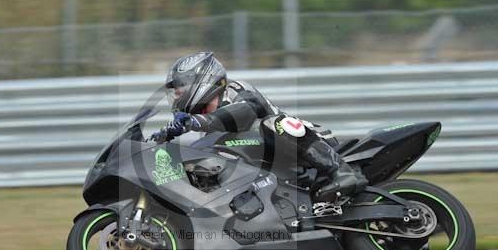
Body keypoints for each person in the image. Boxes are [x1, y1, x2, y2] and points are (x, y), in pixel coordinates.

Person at [151, 51, 367, 201]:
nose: (176, 96)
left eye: (179, 88)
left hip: (309, 147)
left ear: (201, 80)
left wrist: (197, 122)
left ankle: (342, 172)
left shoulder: (236, 90)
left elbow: (246, 111)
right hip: (278, 172)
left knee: (274, 124)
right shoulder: (204, 125)